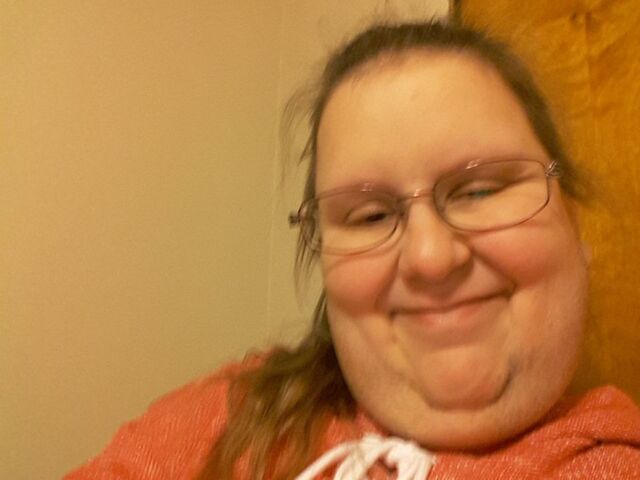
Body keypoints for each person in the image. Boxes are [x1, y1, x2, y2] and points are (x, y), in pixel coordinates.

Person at [64, 20, 640, 480]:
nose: (430, 258)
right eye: (371, 216)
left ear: (575, 224)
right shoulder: (226, 419)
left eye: (480, 190)